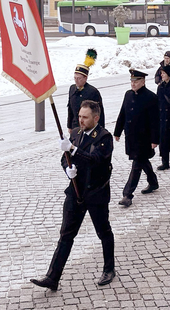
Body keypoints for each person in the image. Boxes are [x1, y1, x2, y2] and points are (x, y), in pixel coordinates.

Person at [31, 101, 115, 291]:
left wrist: (73, 150)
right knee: (66, 235)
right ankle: (53, 276)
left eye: (85, 117)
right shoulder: (75, 133)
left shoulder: (104, 137)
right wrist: (68, 169)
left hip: (96, 193)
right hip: (75, 192)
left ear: (96, 118)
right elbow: (65, 158)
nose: (80, 120)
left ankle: (109, 268)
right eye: (79, 116)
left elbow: (95, 160)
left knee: (103, 232)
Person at [114, 69, 160, 207]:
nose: (133, 84)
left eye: (136, 81)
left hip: (144, 138)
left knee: (137, 164)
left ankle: (127, 194)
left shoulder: (151, 97)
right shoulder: (128, 95)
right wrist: (117, 131)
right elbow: (122, 113)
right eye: (132, 81)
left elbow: (155, 121)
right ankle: (153, 182)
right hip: (131, 137)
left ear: (143, 81)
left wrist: (155, 140)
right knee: (142, 161)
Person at [67, 49, 105, 130]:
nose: (76, 80)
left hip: (89, 128)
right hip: (75, 128)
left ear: (85, 78)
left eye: (79, 78)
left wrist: (100, 130)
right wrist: (69, 126)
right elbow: (70, 109)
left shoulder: (93, 92)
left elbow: (99, 113)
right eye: (75, 78)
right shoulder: (72, 89)